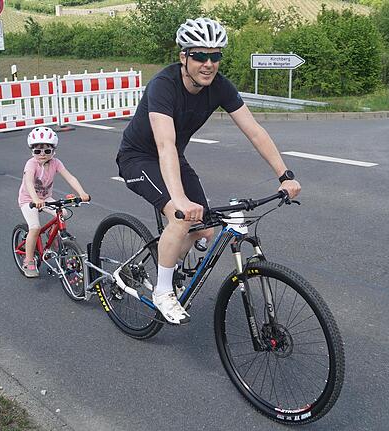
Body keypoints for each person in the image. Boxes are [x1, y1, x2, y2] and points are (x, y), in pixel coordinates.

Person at [116, 17, 301, 324]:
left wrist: (285, 175)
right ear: (183, 57)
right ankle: (163, 292)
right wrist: (178, 201)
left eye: (215, 56)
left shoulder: (220, 87)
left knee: (203, 227)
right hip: (138, 158)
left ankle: (166, 260)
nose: (208, 63)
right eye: (200, 55)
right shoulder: (163, 86)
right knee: (179, 215)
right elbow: (164, 144)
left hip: (173, 156)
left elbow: (254, 131)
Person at [18, 127, 91, 278]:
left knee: (63, 213)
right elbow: (29, 182)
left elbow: (70, 177)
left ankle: (52, 241)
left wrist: (82, 193)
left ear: (53, 151)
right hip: (29, 200)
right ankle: (29, 259)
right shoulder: (31, 164)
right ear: (32, 151)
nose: (42, 154)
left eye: (47, 151)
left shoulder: (56, 163)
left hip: (45, 199)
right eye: (37, 151)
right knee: (35, 227)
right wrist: (36, 199)